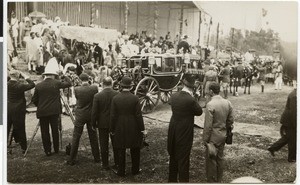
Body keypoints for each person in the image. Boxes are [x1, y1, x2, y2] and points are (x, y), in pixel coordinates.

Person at [31, 59, 72, 156]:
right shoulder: (56, 83)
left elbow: (34, 100)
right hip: (54, 111)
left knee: (44, 131)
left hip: (42, 111)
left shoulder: (39, 85)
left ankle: (47, 150)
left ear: (45, 75)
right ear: (53, 75)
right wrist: (64, 75)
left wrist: (40, 105)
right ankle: (56, 149)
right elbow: (69, 83)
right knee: (55, 130)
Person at [167, 75, 203, 182]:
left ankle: (172, 180)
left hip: (173, 129)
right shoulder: (191, 100)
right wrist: (195, 98)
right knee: (183, 159)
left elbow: (170, 102)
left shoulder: (174, 96)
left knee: (173, 156)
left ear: (183, 84)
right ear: (192, 88)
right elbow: (199, 111)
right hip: (185, 131)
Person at [110, 76, 145, 176]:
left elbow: (113, 116)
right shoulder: (135, 98)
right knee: (135, 148)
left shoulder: (115, 98)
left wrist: (112, 129)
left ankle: (121, 171)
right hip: (133, 125)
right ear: (130, 87)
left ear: (121, 86)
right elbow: (138, 115)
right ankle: (135, 169)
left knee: (121, 148)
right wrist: (142, 129)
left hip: (119, 126)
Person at [203, 82, 234, 182]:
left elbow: (208, 126)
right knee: (220, 158)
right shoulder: (227, 102)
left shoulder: (210, 104)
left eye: (209, 90)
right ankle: (219, 180)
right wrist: (226, 129)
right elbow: (230, 120)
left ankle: (212, 181)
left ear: (211, 91)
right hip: (223, 135)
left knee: (211, 160)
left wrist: (205, 139)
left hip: (213, 137)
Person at [67, 73, 100, 165]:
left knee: (76, 137)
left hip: (80, 115)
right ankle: (97, 157)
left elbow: (77, 99)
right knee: (93, 137)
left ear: (80, 80)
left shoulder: (77, 89)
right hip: (91, 115)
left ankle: (72, 159)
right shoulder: (94, 88)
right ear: (88, 79)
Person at [91, 77, 119, 170]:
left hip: (102, 123)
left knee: (103, 144)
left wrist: (93, 124)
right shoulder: (117, 94)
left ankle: (105, 164)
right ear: (111, 84)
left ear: (103, 84)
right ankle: (117, 162)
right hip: (114, 123)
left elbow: (94, 112)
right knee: (116, 143)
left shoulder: (97, 96)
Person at [8, 70, 35, 153]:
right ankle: (23, 147)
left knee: (8, 127)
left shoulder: (6, 84)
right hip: (19, 109)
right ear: (18, 76)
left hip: (8, 108)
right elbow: (32, 84)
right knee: (21, 127)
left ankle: (6, 145)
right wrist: (26, 76)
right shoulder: (20, 85)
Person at [268, 88, 297, 162]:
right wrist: (295, 125)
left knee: (288, 137)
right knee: (293, 138)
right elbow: (294, 112)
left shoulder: (295, 93)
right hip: (289, 120)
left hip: (289, 119)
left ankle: (273, 148)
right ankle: (292, 158)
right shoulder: (294, 96)